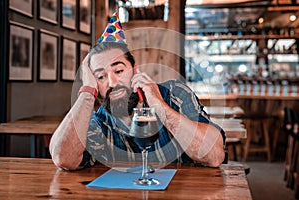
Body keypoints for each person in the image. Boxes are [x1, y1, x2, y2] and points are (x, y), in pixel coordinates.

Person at [49, 11, 226, 170]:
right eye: (100, 77)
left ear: (134, 70)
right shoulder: (98, 123)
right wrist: (87, 91)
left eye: (118, 71)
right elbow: (62, 158)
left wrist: (159, 105)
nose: (112, 82)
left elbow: (214, 156)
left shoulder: (175, 94)